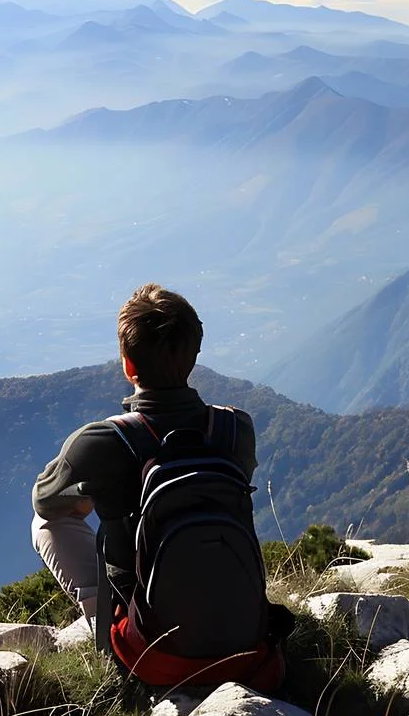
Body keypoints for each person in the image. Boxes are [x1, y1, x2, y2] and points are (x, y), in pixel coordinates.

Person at [30, 283, 285, 688]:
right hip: (246, 642)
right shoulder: (235, 428)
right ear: (194, 356)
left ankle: (105, 623)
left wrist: (92, 497)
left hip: (153, 655)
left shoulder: (102, 442)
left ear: (129, 367)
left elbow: (45, 501)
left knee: (44, 525)